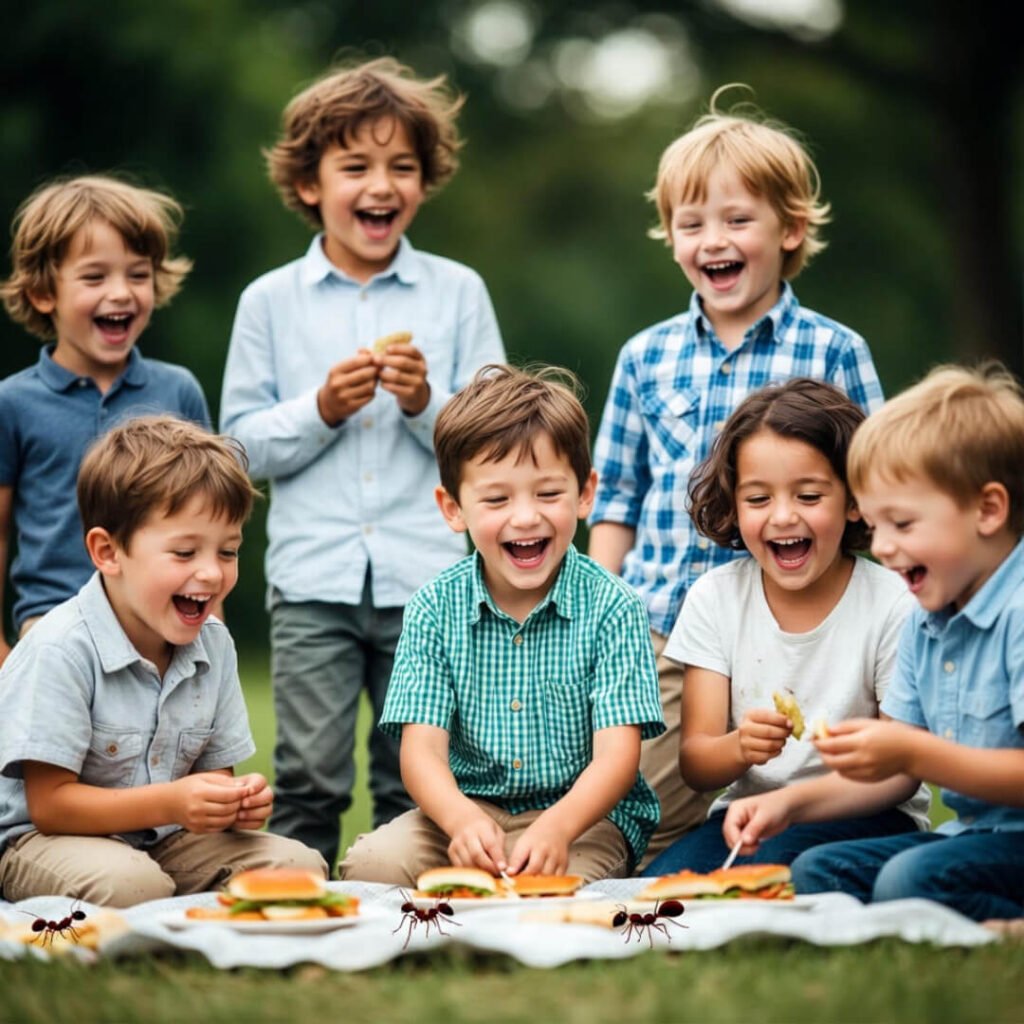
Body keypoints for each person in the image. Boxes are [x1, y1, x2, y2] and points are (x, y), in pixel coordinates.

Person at [220, 57, 505, 871]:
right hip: (314, 578)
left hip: (427, 580)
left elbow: (494, 439)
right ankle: (299, 895)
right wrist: (322, 408)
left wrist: (427, 406)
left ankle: (408, 907)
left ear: (424, 182)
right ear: (310, 183)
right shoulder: (269, 302)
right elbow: (235, 445)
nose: (380, 185)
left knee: (414, 769)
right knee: (308, 770)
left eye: (401, 167)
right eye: (356, 166)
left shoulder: (457, 292)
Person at [587, 87, 884, 866]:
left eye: (736, 220)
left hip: (789, 625)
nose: (711, 239)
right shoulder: (646, 356)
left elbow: (878, 485)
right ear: (673, 237)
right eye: (692, 224)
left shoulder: (833, 350)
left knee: (745, 779)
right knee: (627, 801)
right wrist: (598, 606)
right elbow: (617, 493)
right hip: (662, 626)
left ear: (789, 229)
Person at [337, 365, 664, 886]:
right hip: (462, 813)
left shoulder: (615, 607)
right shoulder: (433, 608)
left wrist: (558, 827)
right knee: (372, 866)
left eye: (548, 494)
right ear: (453, 508)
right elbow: (421, 751)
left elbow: (617, 758)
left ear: (585, 494)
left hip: (581, 818)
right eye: (497, 499)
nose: (526, 517)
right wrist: (460, 819)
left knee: (555, 890)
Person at [0, 416, 326, 907]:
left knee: (299, 867)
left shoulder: (213, 644)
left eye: (229, 551)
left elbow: (215, 775)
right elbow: (50, 806)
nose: (212, 573)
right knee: (132, 885)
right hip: (45, 841)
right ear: (108, 552)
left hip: (163, 841)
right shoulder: (60, 648)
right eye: (184, 552)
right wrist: (171, 802)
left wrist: (232, 804)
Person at [641, 379, 929, 876]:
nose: (782, 516)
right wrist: (738, 748)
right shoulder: (716, 598)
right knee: (665, 886)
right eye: (758, 499)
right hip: (749, 813)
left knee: (776, 874)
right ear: (733, 505)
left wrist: (794, 806)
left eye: (809, 495)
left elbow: (899, 774)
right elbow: (697, 761)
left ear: (855, 500)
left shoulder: (893, 604)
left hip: (868, 812)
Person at [773, 365, 1024, 924]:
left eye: (903, 525)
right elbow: (895, 769)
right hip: (971, 840)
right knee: (816, 871)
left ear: (988, 510)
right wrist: (788, 803)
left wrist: (914, 752)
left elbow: (913, 756)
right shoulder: (923, 620)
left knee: (909, 880)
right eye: (875, 524)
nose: (882, 548)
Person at [0, 175, 211, 666]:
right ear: (42, 293)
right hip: (51, 630)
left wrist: (209, 617)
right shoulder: (13, 403)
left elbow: (211, 522)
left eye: (137, 275)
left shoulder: (177, 390)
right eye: (95, 278)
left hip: (160, 629)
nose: (121, 293)